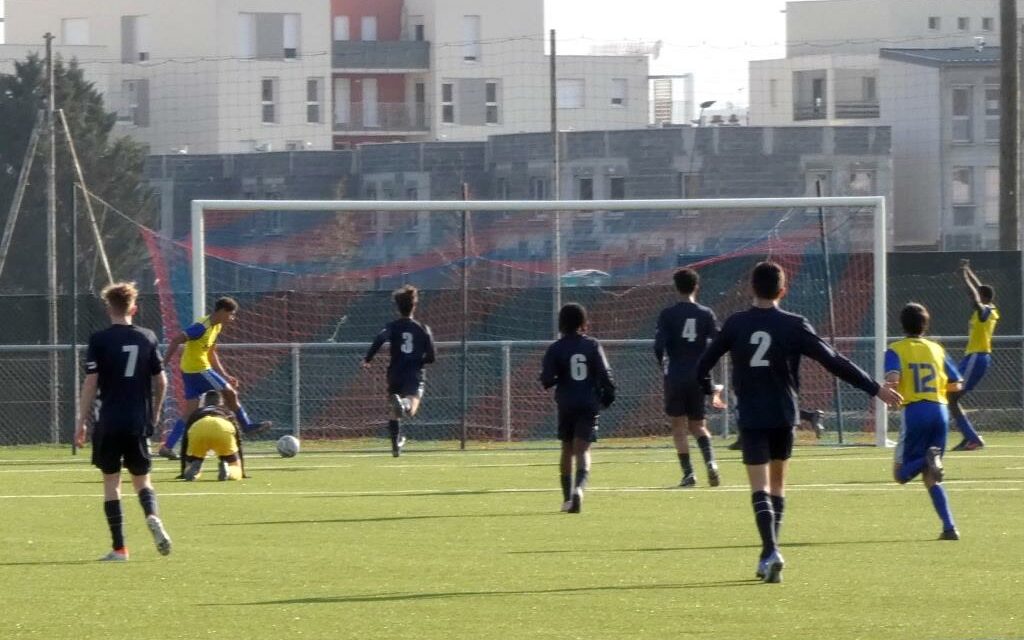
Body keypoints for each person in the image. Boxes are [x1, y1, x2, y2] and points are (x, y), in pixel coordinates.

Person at [696, 261, 901, 583]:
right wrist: (875, 389)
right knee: (777, 485)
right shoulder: (794, 324)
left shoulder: (735, 324)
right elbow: (834, 360)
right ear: (783, 290)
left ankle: (770, 551)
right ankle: (769, 555)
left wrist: (712, 390)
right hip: (784, 415)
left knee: (759, 487)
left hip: (751, 415)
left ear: (751, 287)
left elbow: (702, 364)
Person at [74, 282, 173, 561]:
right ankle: (152, 515)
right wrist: (153, 413)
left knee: (111, 483)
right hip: (137, 421)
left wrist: (81, 421)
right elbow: (161, 380)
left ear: (109, 309)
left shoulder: (99, 340)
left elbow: (90, 383)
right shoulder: (148, 337)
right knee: (142, 481)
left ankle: (119, 548)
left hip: (108, 421)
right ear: (134, 308)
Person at [158, 297, 271, 462]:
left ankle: (167, 447)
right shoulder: (201, 327)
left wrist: (224, 374)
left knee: (190, 412)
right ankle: (246, 425)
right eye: (231, 314)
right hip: (198, 370)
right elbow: (176, 339)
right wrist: (164, 362)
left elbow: (211, 353)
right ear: (222, 311)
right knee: (230, 392)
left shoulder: (216, 326)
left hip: (190, 370)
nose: (232, 318)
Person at [885, 303, 962, 540]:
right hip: (940, 410)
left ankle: (926, 457)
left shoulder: (895, 349)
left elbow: (893, 379)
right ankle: (949, 528)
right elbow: (957, 383)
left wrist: (889, 391)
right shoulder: (937, 349)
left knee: (900, 475)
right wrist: (939, 389)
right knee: (931, 475)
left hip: (915, 411)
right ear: (926, 325)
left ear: (902, 324)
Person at [541, 303, 616, 514]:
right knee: (583, 449)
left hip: (566, 402)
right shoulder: (592, 345)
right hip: (588, 402)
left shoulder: (555, 348)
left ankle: (566, 499)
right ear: (584, 323)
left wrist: (557, 377)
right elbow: (605, 373)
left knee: (566, 448)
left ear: (561, 324)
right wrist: (608, 395)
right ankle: (579, 490)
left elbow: (546, 379)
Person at [654, 268, 725, 487]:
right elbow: (719, 340)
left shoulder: (668, 314)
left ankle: (688, 474)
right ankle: (711, 463)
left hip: (676, 374)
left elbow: (658, 346)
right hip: (699, 376)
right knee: (699, 426)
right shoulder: (706, 313)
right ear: (696, 287)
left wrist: (662, 366)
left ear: (676, 288)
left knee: (678, 427)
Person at [363, 285, 436, 457]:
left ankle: (396, 444)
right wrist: (419, 361)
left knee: (394, 412)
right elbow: (432, 356)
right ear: (414, 306)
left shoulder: (392, 326)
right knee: (410, 408)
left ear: (398, 307)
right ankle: (404, 403)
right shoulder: (423, 329)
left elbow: (380, 338)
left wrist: (368, 358)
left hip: (395, 372)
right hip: (413, 373)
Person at [948, 260, 998, 451]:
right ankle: (970, 437)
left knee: (952, 397)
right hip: (972, 358)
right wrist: (968, 271)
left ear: (982, 297)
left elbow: (976, 297)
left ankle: (972, 438)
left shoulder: (985, 311)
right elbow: (980, 290)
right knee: (950, 396)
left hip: (977, 358)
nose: (973, 298)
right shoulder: (989, 308)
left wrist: (963, 277)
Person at [181, 391, 246, 481]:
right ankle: (228, 470)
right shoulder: (227, 412)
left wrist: (183, 469)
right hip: (222, 426)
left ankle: (193, 469)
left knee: (192, 463)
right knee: (235, 467)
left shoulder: (196, 412)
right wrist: (242, 470)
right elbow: (238, 440)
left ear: (204, 403)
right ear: (221, 403)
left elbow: (185, 440)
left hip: (199, 427)